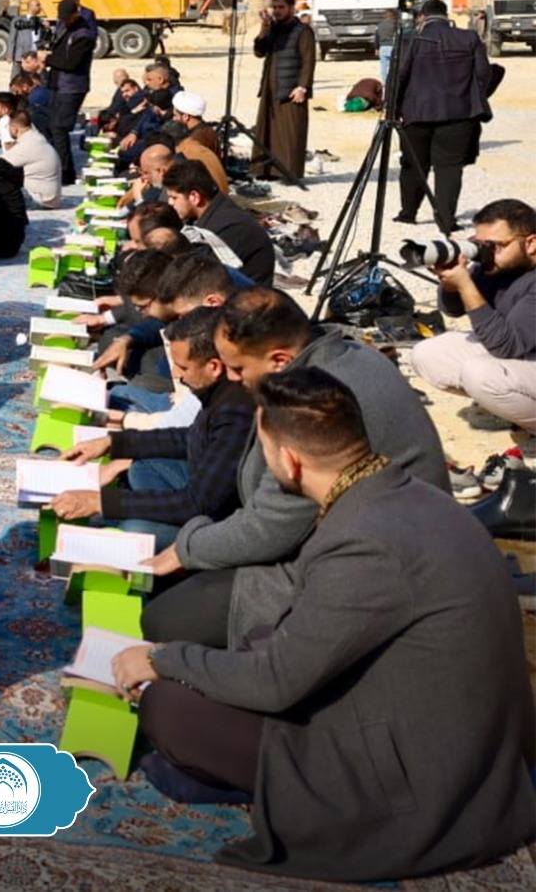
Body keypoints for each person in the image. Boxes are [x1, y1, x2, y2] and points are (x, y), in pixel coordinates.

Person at [114, 367, 534, 882]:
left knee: (169, 706)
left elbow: (275, 682)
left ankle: (284, 792)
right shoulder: (400, 496)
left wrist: (162, 659)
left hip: (419, 775)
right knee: (244, 646)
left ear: (290, 460)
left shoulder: (363, 539)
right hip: (446, 732)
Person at [141, 288, 449, 651]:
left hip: (372, 569)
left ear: (280, 360)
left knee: (162, 618)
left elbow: (272, 527)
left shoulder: (319, 398)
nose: (232, 379)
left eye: (239, 368)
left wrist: (187, 548)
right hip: (349, 537)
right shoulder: (337, 356)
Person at [52, 306, 254, 548]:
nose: (177, 376)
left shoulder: (236, 412)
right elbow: (189, 437)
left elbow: (197, 503)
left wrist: (102, 502)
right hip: (200, 489)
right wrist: (112, 443)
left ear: (214, 366)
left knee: (135, 532)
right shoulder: (221, 392)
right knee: (142, 465)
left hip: (220, 524)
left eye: (183, 367)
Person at [409, 198, 536, 431]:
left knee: (480, 374)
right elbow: (453, 310)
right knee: (427, 354)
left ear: (530, 243)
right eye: (479, 243)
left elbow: (506, 346)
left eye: (494, 245)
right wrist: (450, 284)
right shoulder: (497, 265)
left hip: (517, 350)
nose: (486, 252)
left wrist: (465, 284)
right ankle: (511, 409)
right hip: (522, 352)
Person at [394, 0, 492, 232]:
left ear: (422, 17)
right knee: (449, 168)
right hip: (459, 113)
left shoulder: (411, 39)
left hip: (417, 113)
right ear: (446, 15)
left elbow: (399, 77)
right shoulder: (469, 38)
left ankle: (408, 213)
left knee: (414, 165)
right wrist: (472, 98)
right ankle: (446, 220)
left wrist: (394, 110)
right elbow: (483, 73)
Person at [162, 160, 275, 285]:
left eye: (174, 197)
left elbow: (200, 278)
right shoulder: (214, 212)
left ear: (194, 197)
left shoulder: (227, 228)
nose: (170, 203)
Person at [252, 0, 315, 183]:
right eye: (275, 7)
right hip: (271, 88)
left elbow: (308, 61)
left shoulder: (302, 31)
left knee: (290, 132)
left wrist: (302, 87)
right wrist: (264, 28)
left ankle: (289, 173)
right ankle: (266, 170)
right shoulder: (273, 28)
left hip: (291, 88)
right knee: (267, 130)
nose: (277, 11)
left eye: (281, 7)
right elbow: (259, 52)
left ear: (291, 8)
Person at [43, 0, 96, 190]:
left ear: (76, 14)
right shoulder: (65, 28)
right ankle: (59, 168)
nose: (65, 21)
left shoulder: (84, 34)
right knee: (53, 126)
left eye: (67, 18)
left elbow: (71, 63)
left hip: (72, 87)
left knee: (60, 128)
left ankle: (65, 173)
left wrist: (47, 59)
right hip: (59, 85)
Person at [1, 107, 62, 209]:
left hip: (40, 200)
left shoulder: (27, 145)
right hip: (50, 198)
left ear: (14, 128)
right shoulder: (35, 138)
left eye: (8, 126)